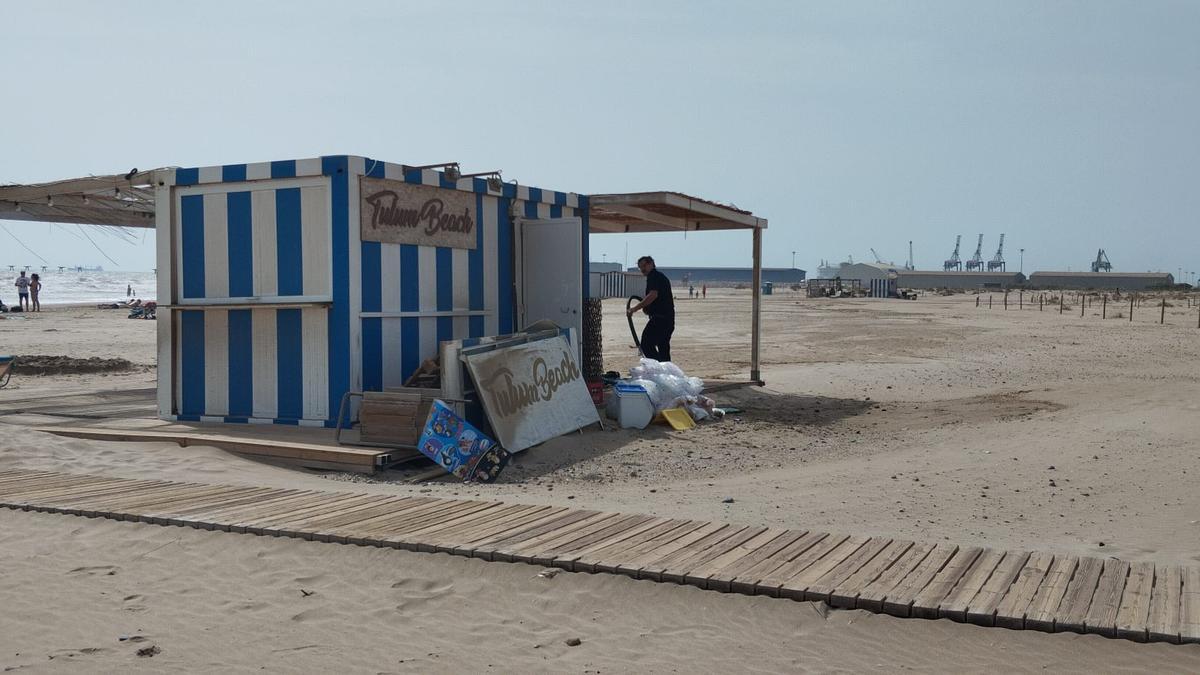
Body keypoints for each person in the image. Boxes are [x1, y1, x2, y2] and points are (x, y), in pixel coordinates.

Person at [627, 255, 675, 362]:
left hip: (660, 319)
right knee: (663, 348)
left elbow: (653, 295)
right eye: (640, 267)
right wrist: (648, 308)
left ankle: (658, 369)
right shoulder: (659, 276)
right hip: (668, 319)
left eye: (644, 265)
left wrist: (634, 309)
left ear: (652, 264)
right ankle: (666, 372)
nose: (642, 269)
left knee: (646, 344)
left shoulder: (654, 276)